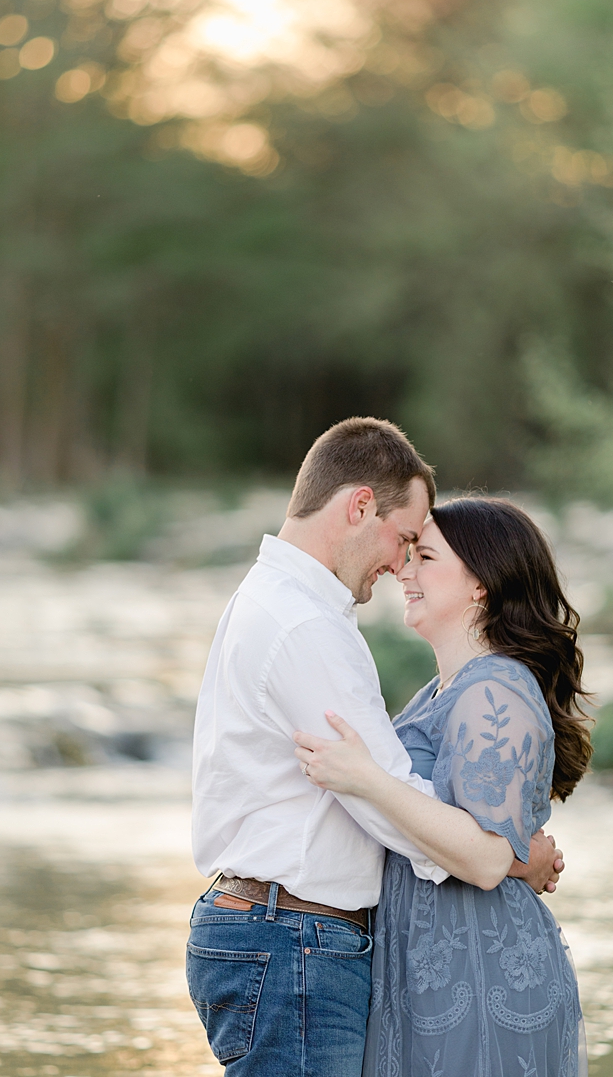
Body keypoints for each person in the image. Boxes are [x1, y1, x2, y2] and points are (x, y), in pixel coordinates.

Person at [187, 420, 564, 1077]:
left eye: (421, 550)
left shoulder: (281, 604)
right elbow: (383, 798)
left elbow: (376, 786)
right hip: (292, 940)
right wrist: (508, 857)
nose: (400, 564)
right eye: (405, 539)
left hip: (282, 936)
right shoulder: (303, 623)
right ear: (359, 506)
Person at [294, 496, 591, 1077]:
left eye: (424, 557)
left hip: (481, 974)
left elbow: (481, 858)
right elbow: (482, 840)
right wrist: (520, 859)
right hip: (432, 970)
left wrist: (369, 781)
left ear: (481, 584)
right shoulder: (441, 690)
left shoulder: (494, 691)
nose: (403, 572)